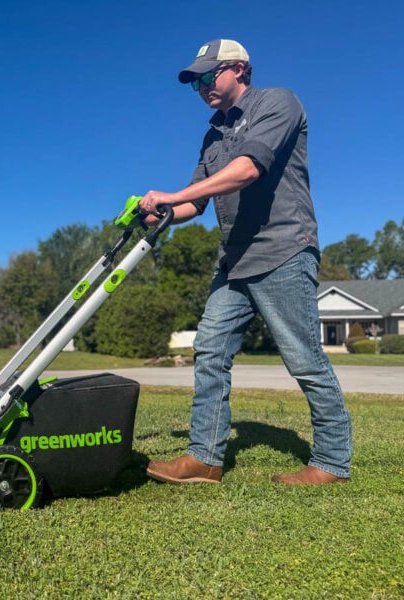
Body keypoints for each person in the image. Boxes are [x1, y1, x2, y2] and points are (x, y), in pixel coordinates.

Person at [138, 39, 352, 485]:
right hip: (234, 262)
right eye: (194, 80)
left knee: (304, 358)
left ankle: (332, 461)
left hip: (282, 251)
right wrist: (160, 211)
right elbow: (194, 205)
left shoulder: (278, 103)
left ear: (239, 69)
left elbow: (249, 168)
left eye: (207, 75)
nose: (200, 86)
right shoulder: (212, 134)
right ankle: (205, 458)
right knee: (210, 349)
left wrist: (175, 195)